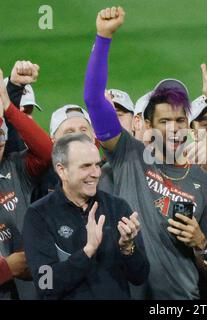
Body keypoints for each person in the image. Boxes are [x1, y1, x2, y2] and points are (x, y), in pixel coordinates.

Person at [83, 6, 207, 299]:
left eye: (180, 121)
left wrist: (200, 242)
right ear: (146, 125)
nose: (174, 129)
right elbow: (94, 101)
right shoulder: (127, 154)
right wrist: (103, 37)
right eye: (164, 121)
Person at [23, 133, 149, 299]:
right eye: (86, 166)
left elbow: (140, 276)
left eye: (97, 165)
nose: (96, 173)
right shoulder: (38, 215)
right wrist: (87, 251)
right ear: (62, 171)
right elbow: (46, 285)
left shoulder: (117, 207)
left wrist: (127, 249)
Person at [0, 68, 52, 299]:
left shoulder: (15, 167)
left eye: (1, 135)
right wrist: (6, 269)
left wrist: (10, 108)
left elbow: (47, 151)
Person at [31, 105, 95, 202]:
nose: (78, 135)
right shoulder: (42, 178)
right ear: (53, 140)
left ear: (93, 137)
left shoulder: (107, 173)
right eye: (69, 131)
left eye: (83, 130)